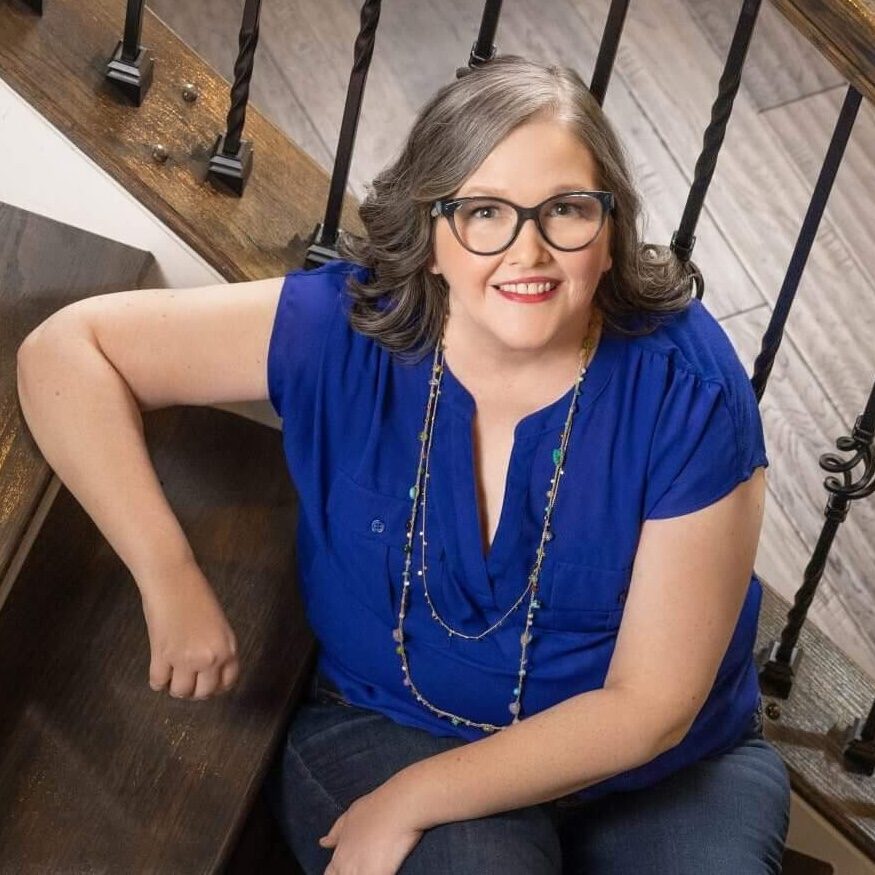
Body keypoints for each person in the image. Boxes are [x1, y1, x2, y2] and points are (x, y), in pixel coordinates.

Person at [15, 54, 790, 874]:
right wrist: (167, 573)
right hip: (396, 723)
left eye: (566, 209)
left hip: (661, 771)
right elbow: (69, 350)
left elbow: (651, 708)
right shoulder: (344, 328)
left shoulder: (688, 387)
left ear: (609, 230)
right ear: (429, 237)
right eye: (484, 212)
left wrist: (415, 798)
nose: (527, 251)